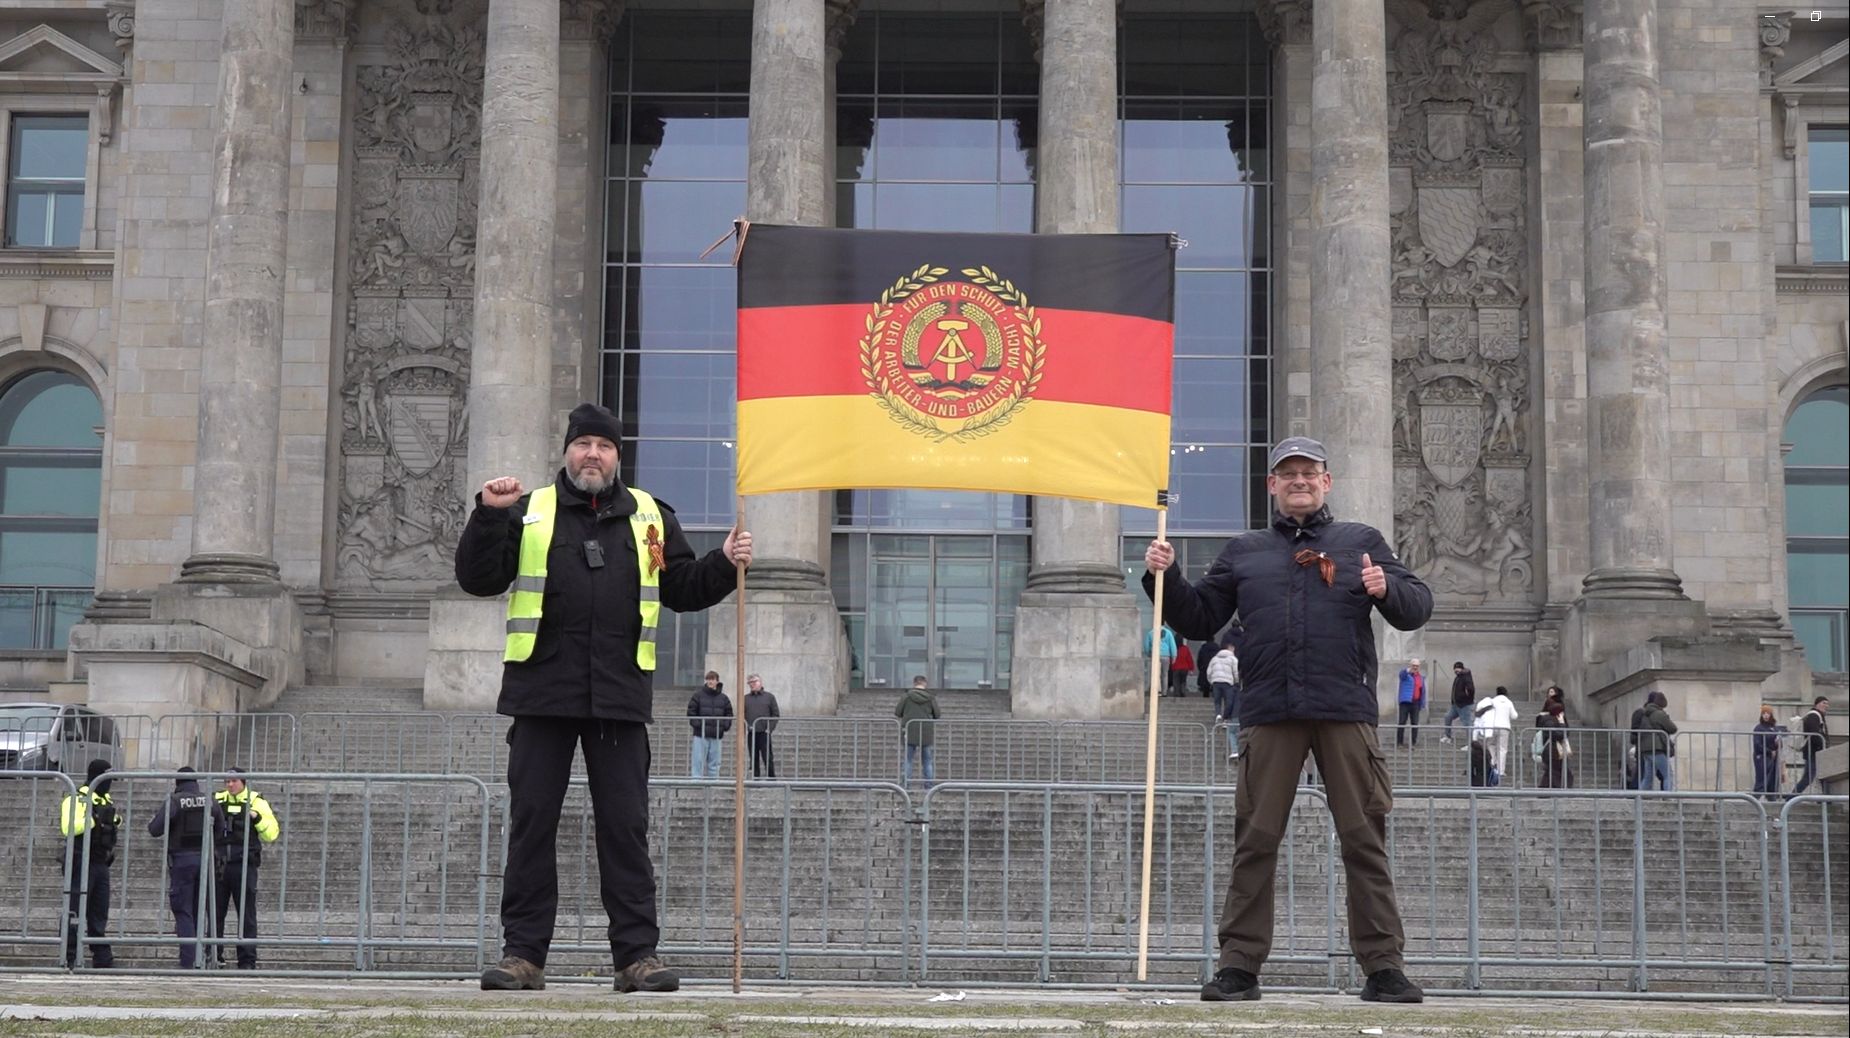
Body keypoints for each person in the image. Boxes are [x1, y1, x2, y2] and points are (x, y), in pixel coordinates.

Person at [455, 401, 752, 993]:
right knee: (532, 826)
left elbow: (683, 589)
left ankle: (636, 957)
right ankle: (523, 956)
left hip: (618, 699)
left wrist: (723, 562)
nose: (593, 454)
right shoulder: (528, 510)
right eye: (584, 443)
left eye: (604, 445)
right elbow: (478, 579)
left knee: (625, 828)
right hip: (543, 695)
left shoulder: (649, 517)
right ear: (567, 451)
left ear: (619, 456)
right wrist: (488, 516)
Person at [1143, 435, 1433, 1005]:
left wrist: (1387, 587)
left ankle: (1383, 968)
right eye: (1288, 474)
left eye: (1310, 472)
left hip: (1343, 709)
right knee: (1255, 841)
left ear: (1327, 482)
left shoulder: (1361, 543)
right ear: (1272, 485)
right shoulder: (1246, 550)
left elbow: (1417, 604)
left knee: (1363, 839)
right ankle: (1239, 966)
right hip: (1270, 711)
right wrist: (1165, 578)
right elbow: (1200, 617)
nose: (1299, 481)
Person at [148, 766, 227, 968]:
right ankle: (201, 956)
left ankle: (189, 960)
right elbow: (220, 830)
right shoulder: (210, 800)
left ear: (178, 783)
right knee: (200, 909)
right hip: (206, 861)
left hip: (182, 862)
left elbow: (154, 829)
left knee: (184, 912)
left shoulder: (175, 801)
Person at [214, 767, 280, 969]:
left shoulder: (256, 801)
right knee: (215, 912)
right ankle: (214, 954)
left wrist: (257, 818)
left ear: (243, 782)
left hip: (245, 865)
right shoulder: (217, 799)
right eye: (227, 781)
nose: (230, 785)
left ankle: (247, 959)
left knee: (247, 915)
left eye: (233, 781)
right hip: (220, 864)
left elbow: (272, 833)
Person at [58, 758, 120, 969]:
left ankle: (102, 958)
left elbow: (113, 822)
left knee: (99, 912)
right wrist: (93, 820)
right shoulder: (77, 797)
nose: (109, 783)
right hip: (79, 859)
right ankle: (69, 957)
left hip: (100, 862)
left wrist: (112, 820)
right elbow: (68, 828)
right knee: (73, 910)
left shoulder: (105, 800)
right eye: (106, 778)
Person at [896, 675, 941, 787]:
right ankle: (929, 786)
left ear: (914, 683)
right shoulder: (930, 698)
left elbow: (897, 712)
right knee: (927, 761)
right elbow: (937, 714)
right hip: (926, 731)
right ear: (924, 683)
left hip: (909, 730)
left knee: (908, 760)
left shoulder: (906, 696)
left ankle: (906, 785)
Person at [687, 671, 733, 778]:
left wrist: (725, 726)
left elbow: (729, 713)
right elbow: (691, 712)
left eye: (712, 679)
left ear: (717, 681)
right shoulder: (698, 696)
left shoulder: (724, 698)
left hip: (716, 734)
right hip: (700, 734)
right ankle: (696, 783)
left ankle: (713, 783)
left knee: (715, 762)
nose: (710, 681)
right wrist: (698, 725)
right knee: (698, 760)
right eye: (708, 679)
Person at [1472, 687, 1519, 787]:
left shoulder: (1492, 701)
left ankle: (1492, 765)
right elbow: (1514, 716)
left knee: (1491, 746)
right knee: (1502, 748)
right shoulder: (1509, 702)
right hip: (1505, 727)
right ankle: (1501, 770)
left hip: (1492, 727)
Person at [1635, 691, 1678, 791]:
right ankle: (1668, 797)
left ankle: (1640, 798)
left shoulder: (1645, 713)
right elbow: (1673, 728)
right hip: (1657, 747)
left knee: (1648, 776)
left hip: (1645, 748)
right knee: (1668, 774)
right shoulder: (1659, 714)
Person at [1208, 641, 1241, 761]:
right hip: (1228, 682)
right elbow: (1236, 671)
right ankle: (1225, 717)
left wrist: (1211, 680)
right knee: (1228, 700)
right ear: (1231, 648)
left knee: (1217, 701)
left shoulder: (1214, 658)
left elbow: (1209, 671)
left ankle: (1218, 715)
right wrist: (1235, 680)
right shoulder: (1233, 659)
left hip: (1216, 681)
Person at [743, 674, 780, 779]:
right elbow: (742, 714)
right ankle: (756, 777)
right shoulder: (746, 698)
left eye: (754, 681)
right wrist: (744, 728)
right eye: (750, 682)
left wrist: (770, 728)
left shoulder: (769, 697)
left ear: (760, 682)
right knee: (753, 756)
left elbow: (775, 714)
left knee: (767, 756)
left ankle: (771, 777)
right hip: (751, 731)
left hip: (764, 731)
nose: (752, 684)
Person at [1791, 696, 1830, 796]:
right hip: (1814, 751)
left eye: (1827, 703)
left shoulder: (1818, 716)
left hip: (1815, 751)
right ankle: (1791, 797)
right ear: (1817, 704)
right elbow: (1814, 733)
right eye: (1824, 703)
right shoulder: (1814, 715)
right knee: (1809, 777)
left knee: (1822, 776)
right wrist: (1823, 746)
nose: (1826, 705)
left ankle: (1826, 799)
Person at [1534, 698, 1572, 788]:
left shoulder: (1553, 720)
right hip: (1552, 750)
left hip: (1554, 749)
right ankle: (1556, 788)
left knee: (1551, 770)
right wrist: (1562, 724)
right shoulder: (1549, 721)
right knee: (1554, 770)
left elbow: (1566, 733)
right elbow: (1560, 734)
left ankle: (1544, 789)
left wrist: (1562, 723)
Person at [1751, 706, 1784, 801]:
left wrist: (1779, 743)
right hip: (1762, 756)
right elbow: (1757, 744)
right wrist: (1769, 751)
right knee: (1761, 778)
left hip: (1773, 756)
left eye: (1768, 713)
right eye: (1764, 713)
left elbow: (1779, 743)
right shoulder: (1759, 728)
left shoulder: (1774, 728)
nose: (1766, 715)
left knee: (1772, 779)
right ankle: (1755, 798)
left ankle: (1771, 797)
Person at [1440, 662, 1477, 746]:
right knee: (1448, 717)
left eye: (1458, 668)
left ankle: (1470, 744)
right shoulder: (1458, 677)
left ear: (1462, 668)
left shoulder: (1466, 676)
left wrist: (1466, 698)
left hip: (1464, 705)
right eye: (1455, 668)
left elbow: (1471, 689)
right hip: (1456, 705)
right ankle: (1448, 736)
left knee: (1467, 724)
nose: (1456, 670)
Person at [1395, 659, 1425, 747]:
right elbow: (1401, 675)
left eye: (1417, 666)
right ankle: (1399, 742)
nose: (1415, 667)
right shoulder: (1405, 674)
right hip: (1405, 702)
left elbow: (1422, 691)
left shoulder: (1420, 677)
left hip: (1415, 703)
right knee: (1402, 722)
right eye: (1413, 665)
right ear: (1410, 665)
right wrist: (1408, 670)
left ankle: (1413, 742)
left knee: (1415, 723)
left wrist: (1422, 703)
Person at [1143, 624, 1177, 695]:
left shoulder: (1151, 633)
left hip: (1155, 655)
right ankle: (1164, 692)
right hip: (1166, 656)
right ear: (1164, 623)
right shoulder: (1168, 632)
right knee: (1165, 674)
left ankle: (1156, 691)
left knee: (1155, 674)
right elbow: (1172, 645)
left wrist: (1149, 653)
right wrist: (1173, 656)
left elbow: (1146, 645)